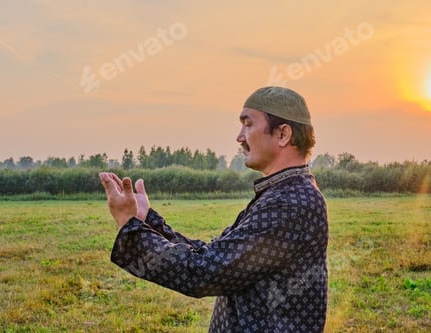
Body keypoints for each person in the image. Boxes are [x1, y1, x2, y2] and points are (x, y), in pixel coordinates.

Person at [99, 86, 329, 332]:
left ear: (283, 134)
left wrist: (130, 227)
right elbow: (210, 255)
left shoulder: (290, 203)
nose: (239, 137)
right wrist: (146, 220)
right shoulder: (283, 194)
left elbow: (202, 272)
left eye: (248, 124)